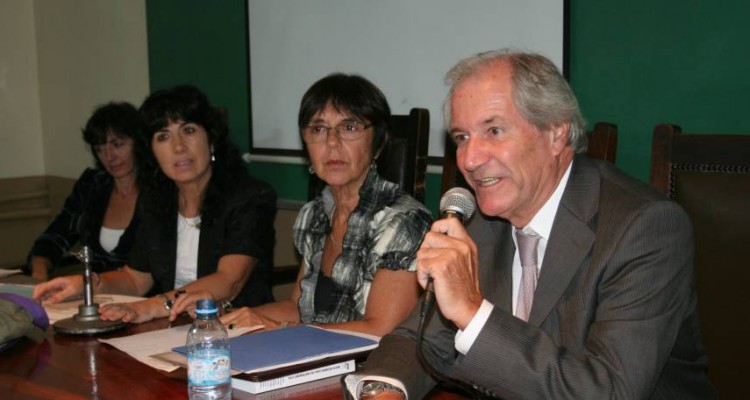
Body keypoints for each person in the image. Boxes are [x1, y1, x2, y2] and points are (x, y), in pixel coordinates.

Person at [345, 50, 716, 399]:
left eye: (494, 131)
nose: (469, 160)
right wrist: (384, 389)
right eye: (461, 137)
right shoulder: (480, 219)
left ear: (555, 133)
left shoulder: (643, 228)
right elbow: (418, 337)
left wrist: (473, 312)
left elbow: (610, 390)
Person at [33, 85, 277, 324]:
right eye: (163, 137)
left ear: (211, 140)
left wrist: (151, 307)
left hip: (235, 328)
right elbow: (136, 278)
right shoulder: (157, 201)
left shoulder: (250, 197)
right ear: (152, 152)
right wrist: (86, 284)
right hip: (172, 327)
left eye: (189, 130)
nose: (178, 147)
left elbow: (227, 282)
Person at [219, 73, 432, 337]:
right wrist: (236, 322)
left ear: (378, 143)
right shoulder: (314, 215)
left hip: (370, 369)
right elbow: (297, 307)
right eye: (318, 129)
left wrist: (283, 332)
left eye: (350, 127)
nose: (332, 143)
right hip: (311, 356)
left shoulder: (405, 221)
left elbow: (380, 330)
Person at [26, 102, 145, 282]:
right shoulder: (92, 186)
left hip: (146, 299)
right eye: (99, 149)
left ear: (137, 142)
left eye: (118, 145)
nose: (109, 157)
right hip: (95, 298)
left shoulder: (157, 189)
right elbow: (55, 237)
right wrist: (39, 274)